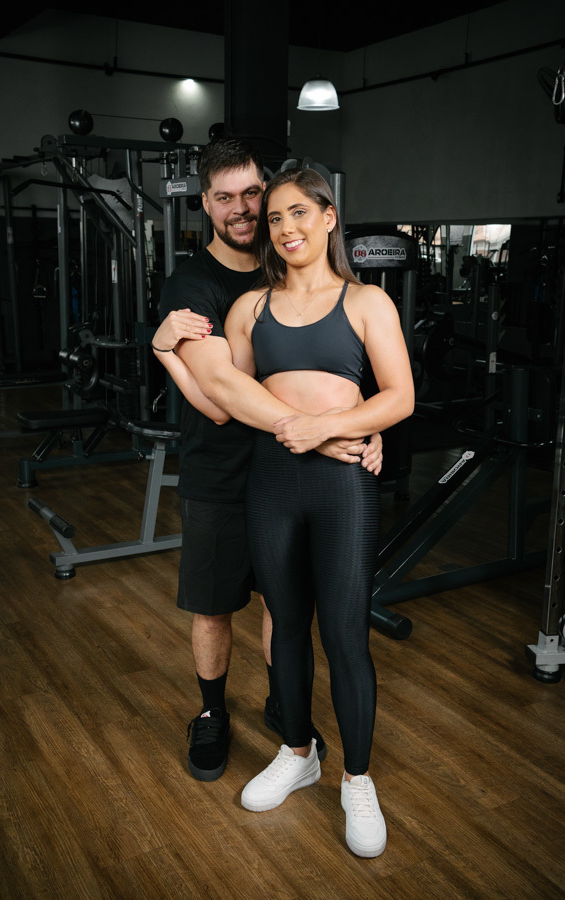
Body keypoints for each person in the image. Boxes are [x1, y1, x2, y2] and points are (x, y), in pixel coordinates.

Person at [152, 138, 383, 784]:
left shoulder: (290, 267)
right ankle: (212, 713)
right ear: (206, 205)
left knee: (285, 604)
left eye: (254, 194)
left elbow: (330, 357)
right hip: (223, 473)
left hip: (290, 471)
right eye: (225, 198)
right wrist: (312, 428)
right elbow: (225, 394)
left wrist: (357, 419)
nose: (245, 210)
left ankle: (289, 711)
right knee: (216, 604)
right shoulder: (192, 286)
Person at [219, 167, 414, 858]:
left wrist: (342, 427)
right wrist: (169, 349)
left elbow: (399, 397)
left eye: (299, 213)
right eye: (274, 218)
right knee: (286, 626)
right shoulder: (250, 308)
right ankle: (298, 751)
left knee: (344, 633)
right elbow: (231, 398)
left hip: (342, 484)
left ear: (330, 218)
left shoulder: (366, 304)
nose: (286, 229)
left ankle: (356, 779)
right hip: (272, 479)